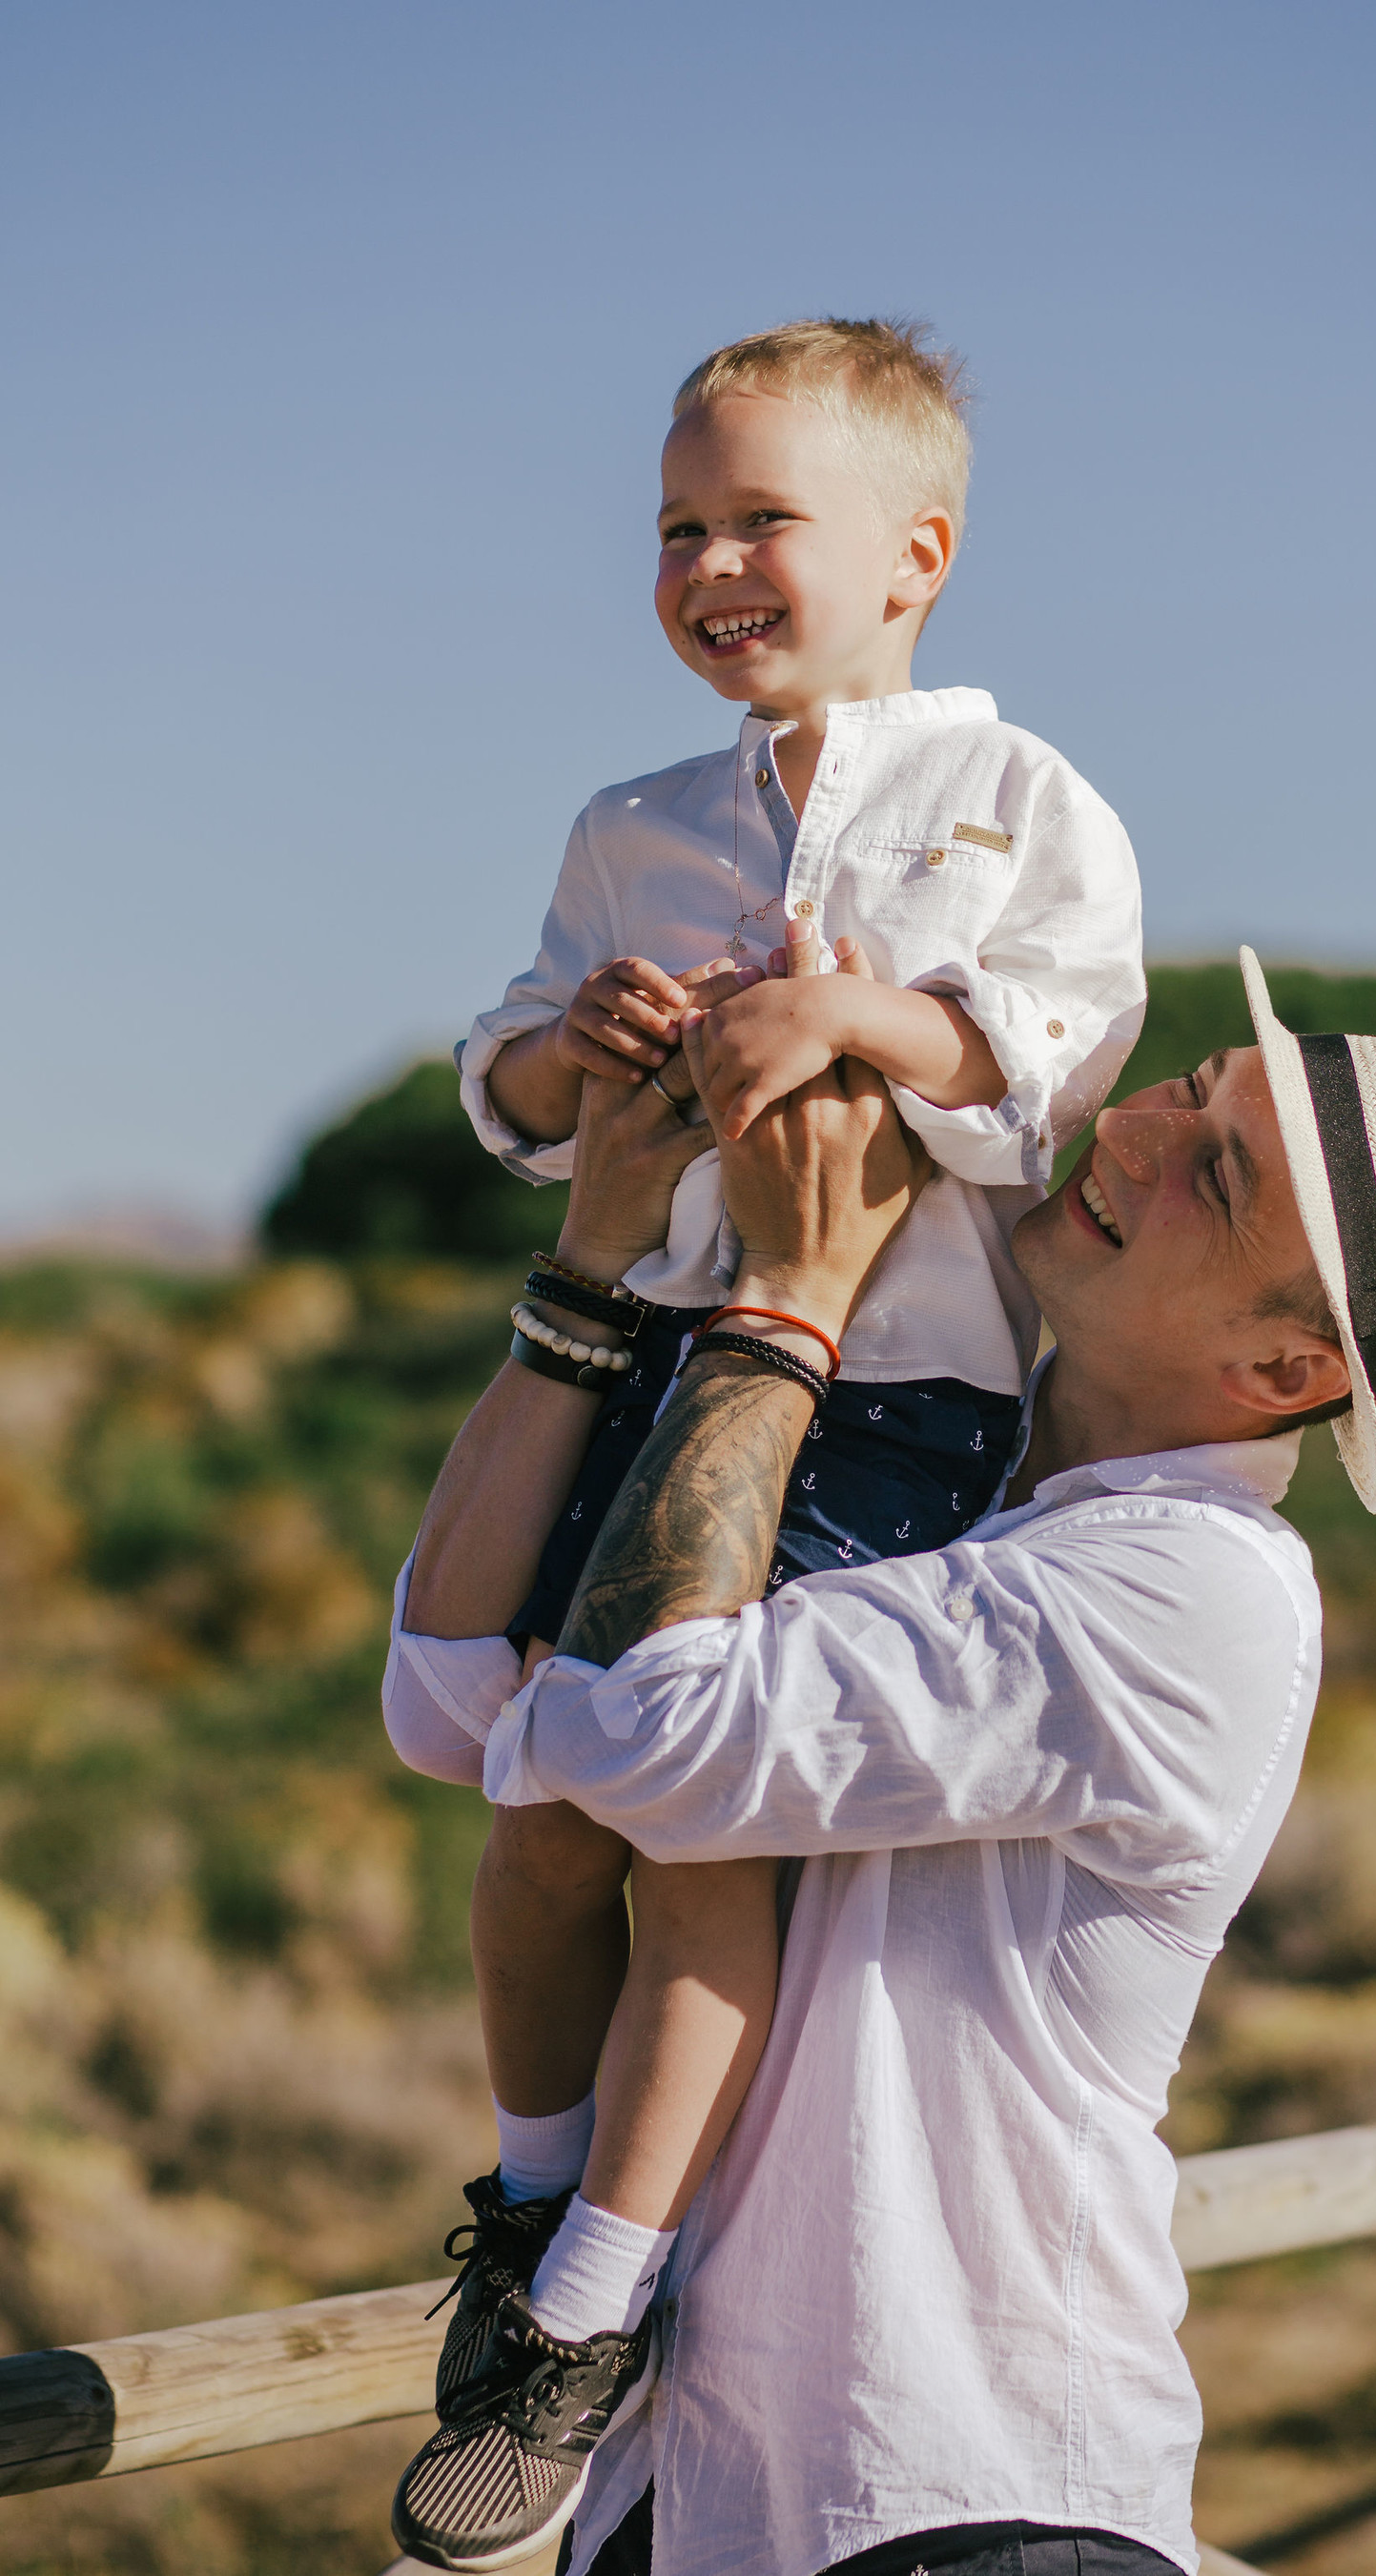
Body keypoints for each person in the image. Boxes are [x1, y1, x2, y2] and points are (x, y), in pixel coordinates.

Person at [382, 947, 1376, 2575]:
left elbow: (628, 1732)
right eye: (1193, 1084)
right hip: (710, 2500)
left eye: (1211, 1177)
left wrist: (788, 1296)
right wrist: (597, 1252)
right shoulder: (969, 1486)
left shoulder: (1188, 1587)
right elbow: (452, 1701)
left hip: (966, 2503)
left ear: (1291, 1373)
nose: (1135, 1133)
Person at [387, 317, 1146, 2482]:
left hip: (891, 1405)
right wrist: (585, 1049)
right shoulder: (633, 826)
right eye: (677, 528)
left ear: (915, 556)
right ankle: (536, 2206)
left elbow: (1052, 1051)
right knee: (536, 1802)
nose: (712, 561)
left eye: (761, 522)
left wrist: (857, 1013)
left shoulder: (1020, 801)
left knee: (688, 1811)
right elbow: (508, 1081)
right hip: (665, 1375)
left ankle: (598, 2301)